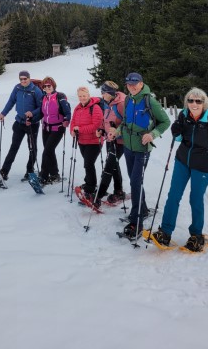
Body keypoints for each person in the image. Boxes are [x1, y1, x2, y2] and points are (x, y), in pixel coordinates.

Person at [152, 88, 208, 252]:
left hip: (203, 165)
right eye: (191, 100)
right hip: (182, 161)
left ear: (204, 103)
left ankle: (196, 235)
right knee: (173, 196)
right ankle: (165, 232)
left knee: (195, 199)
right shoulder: (184, 116)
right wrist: (176, 131)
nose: (194, 104)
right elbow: (180, 138)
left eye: (198, 101)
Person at [108, 72, 170, 239]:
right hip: (128, 146)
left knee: (135, 182)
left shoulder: (150, 101)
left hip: (143, 148)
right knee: (134, 179)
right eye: (129, 84)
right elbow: (126, 122)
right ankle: (142, 210)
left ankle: (136, 222)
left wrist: (153, 134)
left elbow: (165, 122)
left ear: (141, 84)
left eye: (135, 83)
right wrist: (117, 131)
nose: (132, 86)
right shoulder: (128, 99)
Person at [0, 71, 43, 180]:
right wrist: (3, 113)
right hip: (19, 123)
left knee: (32, 148)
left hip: (31, 124)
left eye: (25, 79)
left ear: (29, 78)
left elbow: (42, 107)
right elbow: (11, 101)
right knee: (14, 147)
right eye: (21, 79)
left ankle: (30, 171)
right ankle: (4, 171)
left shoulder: (35, 91)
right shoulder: (17, 88)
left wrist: (32, 114)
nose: (23, 81)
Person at [70, 86, 104, 206]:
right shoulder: (77, 108)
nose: (82, 98)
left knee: (88, 164)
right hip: (82, 141)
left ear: (88, 95)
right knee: (87, 164)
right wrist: (72, 131)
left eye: (84, 96)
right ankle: (89, 183)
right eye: (80, 96)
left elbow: (96, 125)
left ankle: (90, 189)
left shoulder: (95, 108)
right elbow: (73, 122)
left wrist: (80, 129)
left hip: (94, 141)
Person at [94, 81, 126, 204]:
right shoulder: (107, 103)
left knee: (108, 167)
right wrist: (101, 129)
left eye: (103, 92)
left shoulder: (121, 104)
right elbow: (105, 120)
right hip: (109, 139)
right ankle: (119, 191)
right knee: (113, 166)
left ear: (110, 93)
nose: (102, 95)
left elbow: (128, 124)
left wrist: (117, 132)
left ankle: (98, 196)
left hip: (120, 141)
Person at [39, 76, 72, 184]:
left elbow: (67, 111)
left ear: (53, 85)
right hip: (46, 128)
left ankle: (43, 176)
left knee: (46, 151)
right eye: (45, 86)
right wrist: (31, 118)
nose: (47, 87)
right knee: (49, 151)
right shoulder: (44, 98)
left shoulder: (59, 96)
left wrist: (67, 120)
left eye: (49, 85)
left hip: (57, 128)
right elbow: (41, 113)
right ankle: (54, 174)